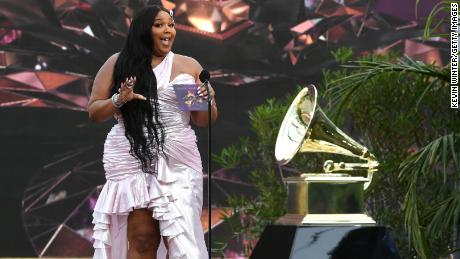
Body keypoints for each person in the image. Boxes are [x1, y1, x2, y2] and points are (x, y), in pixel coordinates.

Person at [87, 5, 217, 259]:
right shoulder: (118, 63)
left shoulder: (184, 67)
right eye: (159, 25)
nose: (167, 30)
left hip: (177, 159)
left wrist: (208, 100)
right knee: (142, 237)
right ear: (143, 30)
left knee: (182, 240)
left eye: (171, 25)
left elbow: (203, 120)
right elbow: (94, 111)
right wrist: (117, 100)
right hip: (131, 156)